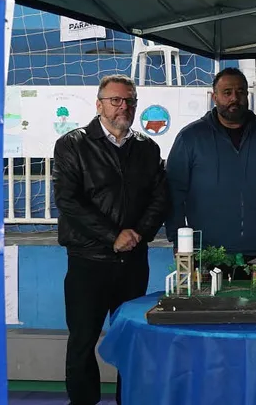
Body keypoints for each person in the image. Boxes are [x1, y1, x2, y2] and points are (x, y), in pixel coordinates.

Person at [52, 75, 170, 405]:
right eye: (116, 100)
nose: (124, 107)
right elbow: (68, 201)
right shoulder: (72, 144)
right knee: (82, 343)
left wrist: (137, 236)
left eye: (130, 100)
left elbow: (160, 199)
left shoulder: (147, 148)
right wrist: (111, 237)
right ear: (99, 104)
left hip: (132, 263)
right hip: (87, 263)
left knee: (130, 340)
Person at [165, 68, 256, 278]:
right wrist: (179, 241)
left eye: (240, 92)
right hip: (205, 254)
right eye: (227, 92)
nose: (234, 98)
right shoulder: (190, 138)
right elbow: (173, 193)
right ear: (214, 97)